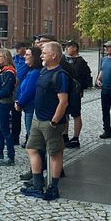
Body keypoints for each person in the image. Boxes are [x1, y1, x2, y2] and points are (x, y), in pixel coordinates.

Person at [20, 42, 70, 201]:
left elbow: (63, 102)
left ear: (54, 55)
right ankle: (37, 183)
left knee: (54, 153)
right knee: (31, 148)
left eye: (44, 53)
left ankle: (53, 187)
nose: (41, 55)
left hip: (51, 122)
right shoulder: (43, 71)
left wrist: (54, 121)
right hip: (37, 119)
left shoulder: (60, 75)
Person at [62, 40, 91, 148]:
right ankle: (64, 135)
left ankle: (75, 137)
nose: (66, 49)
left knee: (76, 114)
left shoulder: (81, 62)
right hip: (65, 90)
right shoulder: (64, 60)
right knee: (64, 113)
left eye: (68, 47)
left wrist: (80, 88)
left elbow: (86, 78)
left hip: (75, 92)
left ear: (74, 48)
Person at [15, 46, 41, 148]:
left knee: (32, 136)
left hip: (31, 107)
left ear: (34, 57)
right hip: (27, 107)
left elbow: (29, 91)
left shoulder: (35, 73)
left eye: (27, 55)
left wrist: (19, 102)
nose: (25, 56)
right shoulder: (31, 71)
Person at [11, 42, 29, 146]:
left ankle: (28, 137)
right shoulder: (15, 59)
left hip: (25, 90)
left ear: (24, 48)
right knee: (15, 116)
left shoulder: (27, 60)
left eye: (19, 48)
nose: (17, 50)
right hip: (16, 91)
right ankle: (15, 137)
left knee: (28, 115)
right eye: (15, 48)